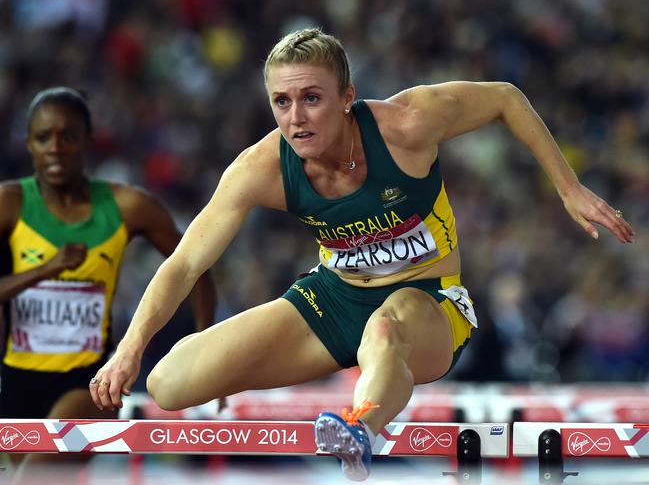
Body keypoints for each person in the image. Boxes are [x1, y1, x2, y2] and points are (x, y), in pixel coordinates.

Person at [89, 29, 634, 481]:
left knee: (384, 330)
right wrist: (130, 348)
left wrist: (569, 188)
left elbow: (505, 98)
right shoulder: (261, 168)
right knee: (169, 383)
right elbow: (185, 262)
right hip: (333, 298)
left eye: (312, 98)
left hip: (427, 304)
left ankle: (358, 432)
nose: (296, 118)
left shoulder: (407, 124)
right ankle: (329, 393)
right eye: (282, 102)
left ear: (347, 96)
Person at [0, 87, 216, 477]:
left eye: (68, 136)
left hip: (90, 383)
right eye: (44, 137)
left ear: (88, 140)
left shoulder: (126, 206)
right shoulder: (10, 204)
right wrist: (45, 271)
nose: (55, 148)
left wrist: (203, 351)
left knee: (33, 479)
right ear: (29, 143)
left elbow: (194, 266)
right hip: (17, 384)